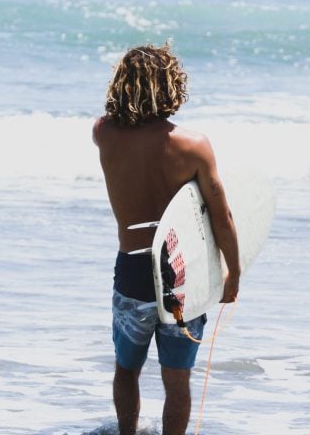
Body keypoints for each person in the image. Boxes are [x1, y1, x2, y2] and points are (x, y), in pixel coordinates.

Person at [93, 44, 241, 435]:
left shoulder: (103, 133)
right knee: (177, 380)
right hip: (182, 273)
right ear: (173, 84)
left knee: (127, 368)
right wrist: (234, 272)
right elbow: (221, 216)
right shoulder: (192, 145)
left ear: (122, 83)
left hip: (133, 269)